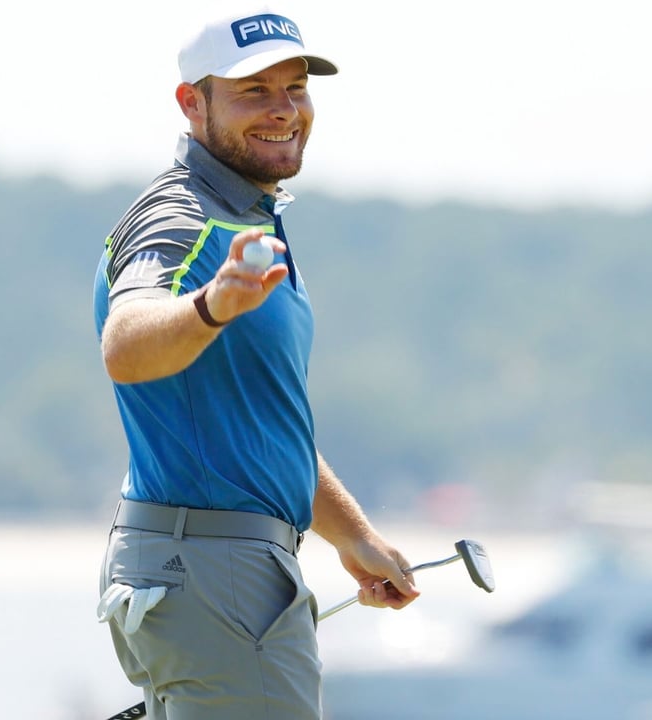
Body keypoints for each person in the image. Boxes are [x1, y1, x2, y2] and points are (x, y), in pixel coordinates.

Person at [90, 8, 420, 719]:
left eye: (295, 88)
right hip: (216, 573)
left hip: (212, 569)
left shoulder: (245, 217)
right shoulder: (180, 217)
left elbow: (261, 426)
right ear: (191, 103)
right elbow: (125, 343)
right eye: (252, 91)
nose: (283, 110)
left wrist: (354, 537)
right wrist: (213, 304)